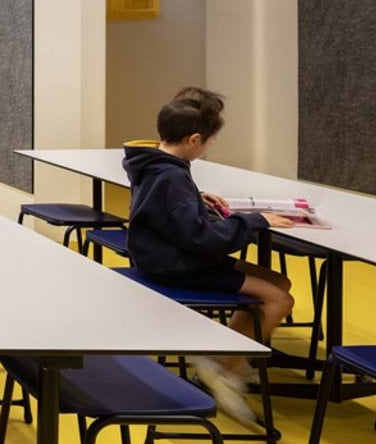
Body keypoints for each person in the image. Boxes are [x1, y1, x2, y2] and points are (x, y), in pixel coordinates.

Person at [123, 86, 296, 424]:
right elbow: (201, 237)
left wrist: (196, 198)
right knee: (278, 300)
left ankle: (223, 356)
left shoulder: (153, 161)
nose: (208, 148)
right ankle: (225, 373)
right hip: (177, 264)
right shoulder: (171, 176)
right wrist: (256, 220)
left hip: (161, 253)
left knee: (279, 280)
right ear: (193, 140)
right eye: (208, 142)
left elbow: (165, 207)